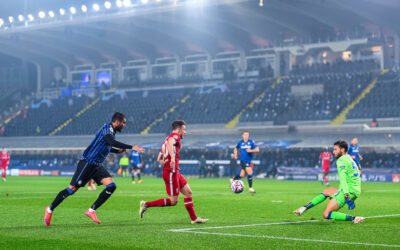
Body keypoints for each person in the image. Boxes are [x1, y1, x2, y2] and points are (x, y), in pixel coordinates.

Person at [44, 112, 145, 226]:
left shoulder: (111, 132)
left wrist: (117, 151)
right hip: (88, 162)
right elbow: (111, 142)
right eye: (123, 123)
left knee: (111, 186)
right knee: (72, 189)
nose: (124, 125)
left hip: (97, 165)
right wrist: (132, 147)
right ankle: (50, 209)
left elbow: (107, 145)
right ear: (117, 122)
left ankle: (91, 210)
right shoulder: (107, 129)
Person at [139, 120, 208, 224]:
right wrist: (171, 160)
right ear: (179, 129)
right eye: (184, 130)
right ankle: (146, 204)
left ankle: (194, 219)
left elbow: (159, 158)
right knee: (173, 201)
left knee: (188, 193)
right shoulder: (175, 136)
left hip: (174, 172)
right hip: (171, 173)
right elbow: (172, 141)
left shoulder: (165, 141)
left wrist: (170, 164)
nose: (184, 132)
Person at [293, 140, 364, 224]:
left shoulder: (341, 160)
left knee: (326, 214)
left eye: (335, 149)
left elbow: (343, 178)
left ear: (342, 150)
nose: (333, 152)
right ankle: (304, 208)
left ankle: (354, 218)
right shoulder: (349, 158)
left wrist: (346, 194)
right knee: (327, 191)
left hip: (348, 190)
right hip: (354, 189)